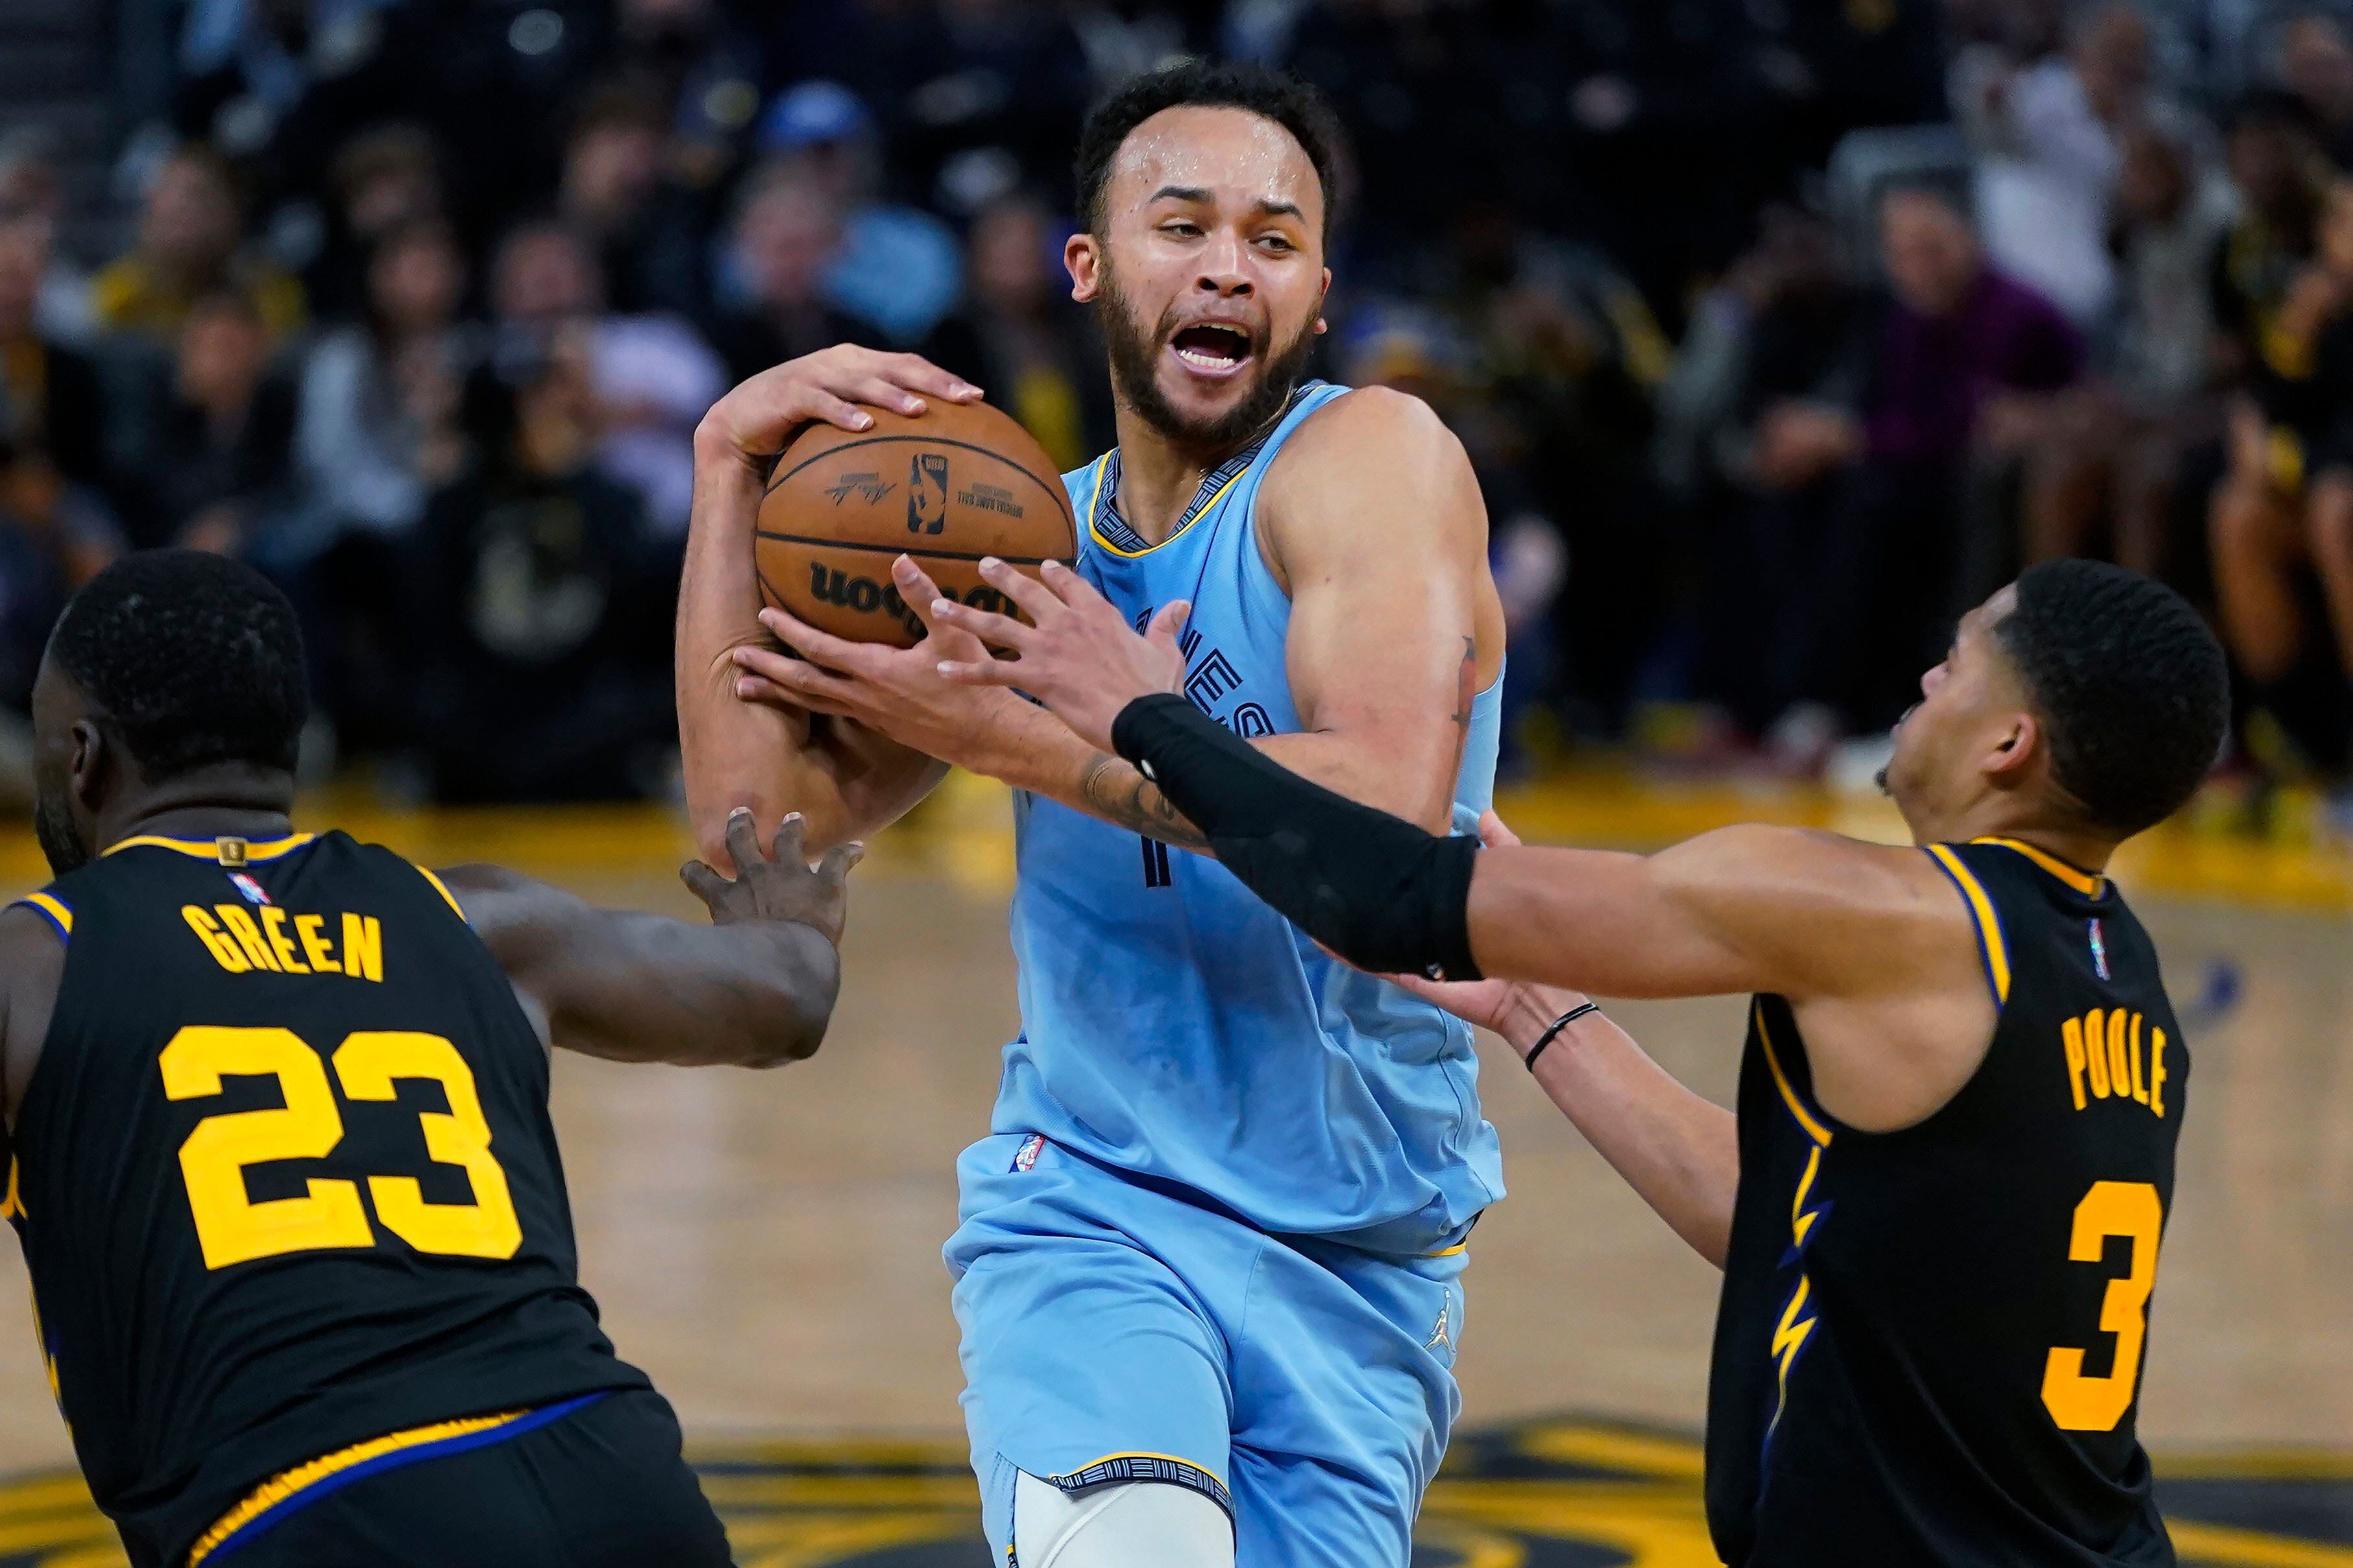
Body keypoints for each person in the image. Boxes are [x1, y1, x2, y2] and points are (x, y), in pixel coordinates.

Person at [929, 552, 2230, 1567]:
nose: (1926, 683)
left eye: (1956, 668)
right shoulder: (2119, 984)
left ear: (2011, 747)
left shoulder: (1876, 915)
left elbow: (1388, 893)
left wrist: (1141, 713)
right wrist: (1538, 1013)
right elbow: (1787, 1221)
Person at [682, 61, 1510, 1568]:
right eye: (1180, 225)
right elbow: (758, 839)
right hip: (1095, 1206)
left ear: (1318, 293)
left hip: (1365, 1249)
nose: (1223, 266)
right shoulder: (1014, 538)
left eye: (1272, 240)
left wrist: (1054, 733)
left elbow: (1390, 818)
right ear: (1088, 266)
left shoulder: (1367, 465)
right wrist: (727, 469)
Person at [0, 549, 856, 1567]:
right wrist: (788, 913)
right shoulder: (476, 916)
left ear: (83, 760)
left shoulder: (35, 963)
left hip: (315, 1511)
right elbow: (786, 998)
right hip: (613, 1473)